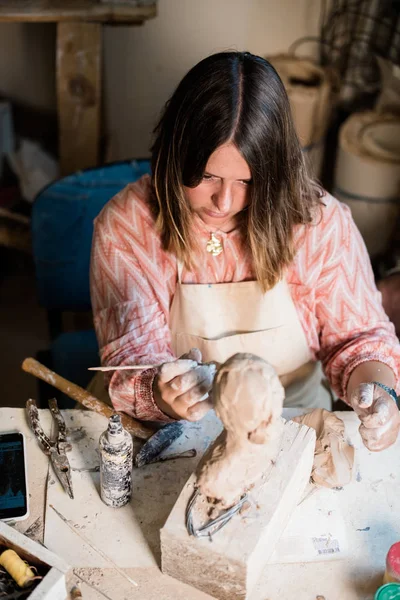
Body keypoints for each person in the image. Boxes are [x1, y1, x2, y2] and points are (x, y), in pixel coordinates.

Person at [90, 51, 400, 452]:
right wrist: (162, 390)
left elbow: (358, 339)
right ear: (174, 152)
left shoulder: (318, 223)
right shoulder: (128, 224)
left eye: (247, 182)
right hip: (172, 427)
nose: (223, 201)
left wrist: (379, 393)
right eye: (206, 177)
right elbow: (133, 360)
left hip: (287, 416)